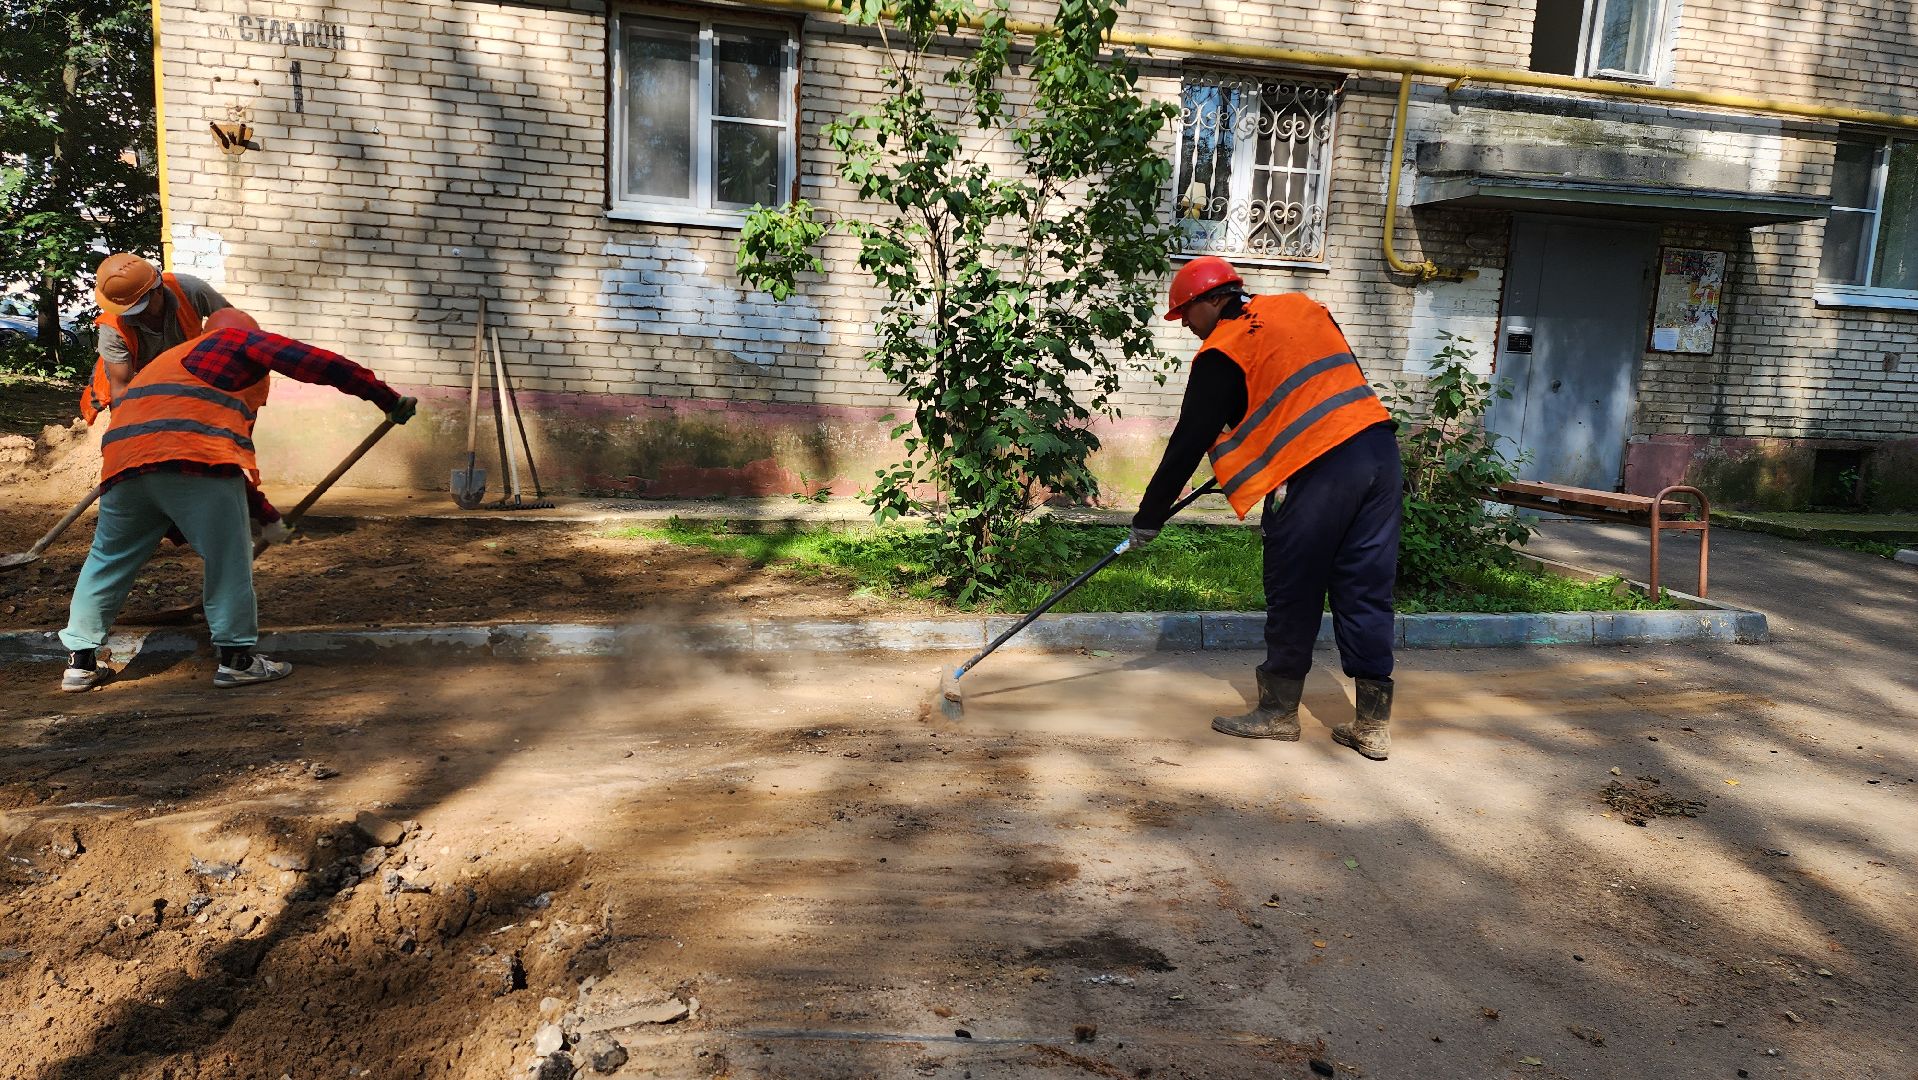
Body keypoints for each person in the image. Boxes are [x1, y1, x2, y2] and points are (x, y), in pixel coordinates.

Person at [59, 308, 418, 693]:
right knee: (228, 557)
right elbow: (316, 362)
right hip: (189, 458)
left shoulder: (168, 366)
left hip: (122, 466)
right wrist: (385, 398)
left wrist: (268, 518)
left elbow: (221, 461)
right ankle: (237, 661)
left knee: (108, 559)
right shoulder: (234, 340)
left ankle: (80, 663)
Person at [1131, 257, 1403, 760]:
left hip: (1318, 469)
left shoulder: (1223, 351)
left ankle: (1277, 714)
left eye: (1186, 315)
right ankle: (1372, 725)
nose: (1187, 328)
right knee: (1366, 585)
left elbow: (1188, 440)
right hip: (1378, 454)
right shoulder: (1302, 307)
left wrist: (1148, 517)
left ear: (1212, 301)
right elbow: (1320, 385)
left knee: (1294, 584)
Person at [82, 253, 233, 423]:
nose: (137, 317)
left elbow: (233, 322)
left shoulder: (190, 291)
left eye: (141, 309)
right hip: (137, 370)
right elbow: (121, 387)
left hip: (183, 363)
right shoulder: (113, 327)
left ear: (158, 290)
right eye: (129, 311)